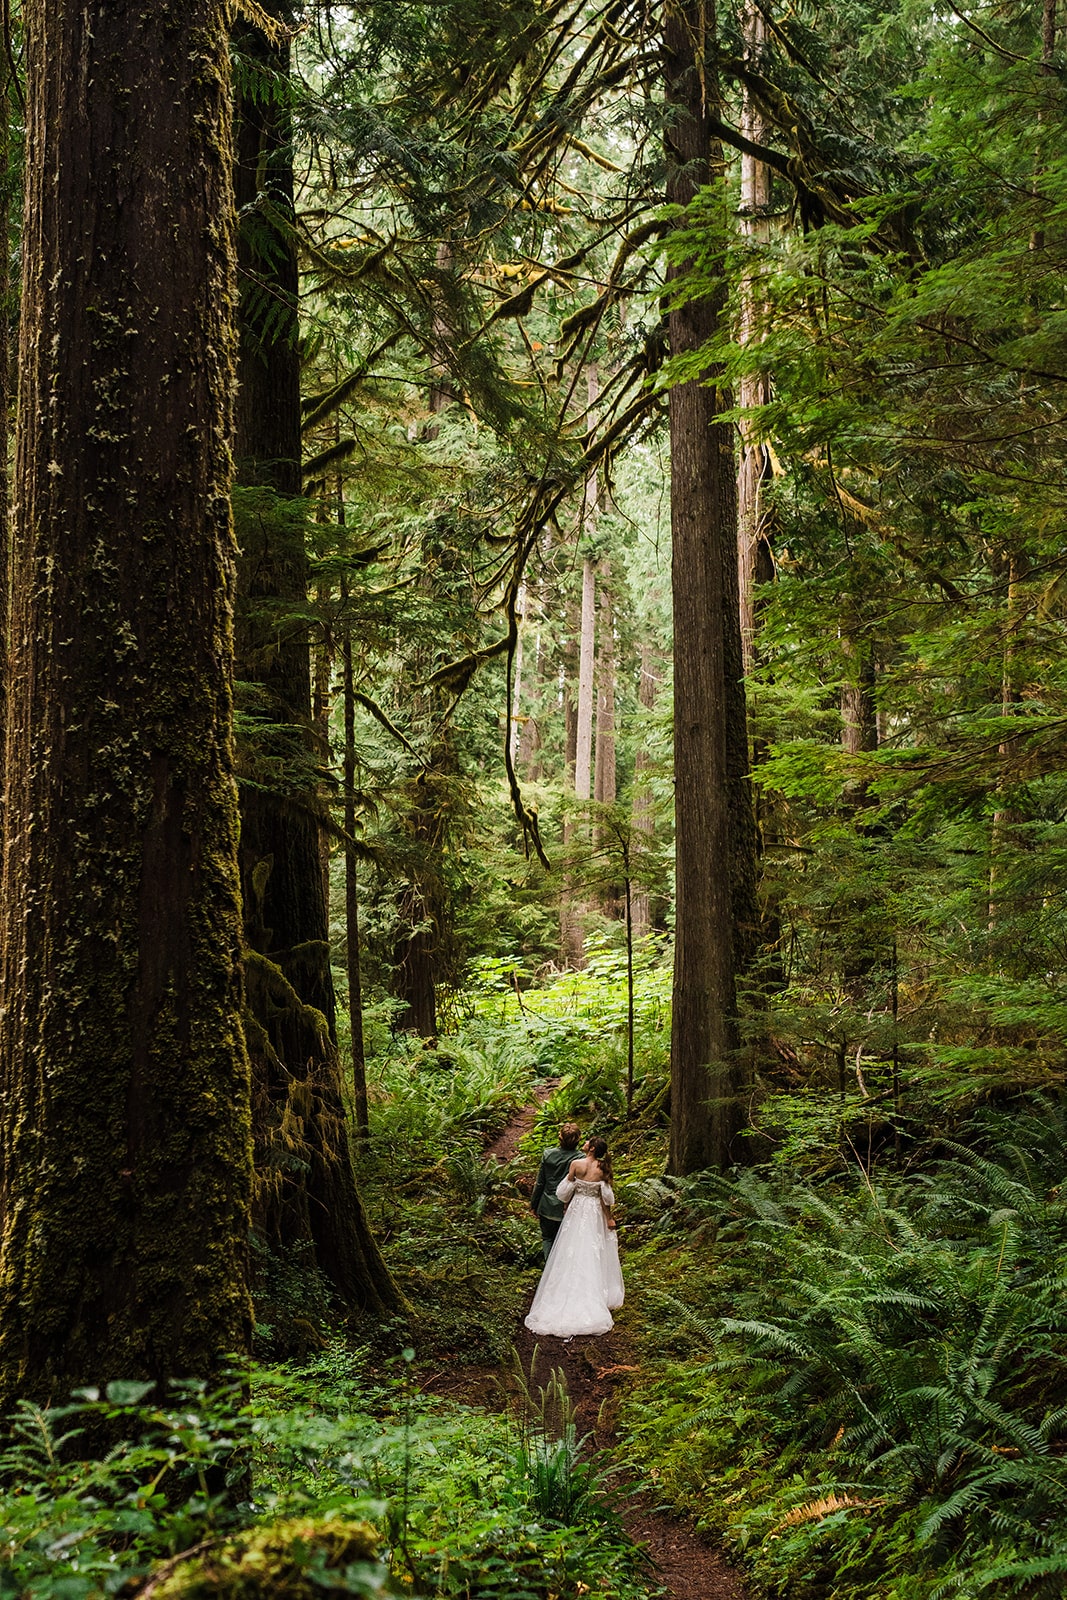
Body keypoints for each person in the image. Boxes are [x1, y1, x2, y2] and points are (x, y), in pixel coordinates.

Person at [524, 1136, 624, 1338]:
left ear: (593, 1148)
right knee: (592, 1248)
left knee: (570, 1248)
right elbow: (606, 1199)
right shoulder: (604, 1168)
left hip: (577, 1210)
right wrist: (609, 1219)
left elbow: (564, 1192)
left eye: (588, 1142)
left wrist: (568, 1203)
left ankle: (565, 1289)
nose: (584, 1143)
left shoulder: (576, 1164)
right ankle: (593, 1290)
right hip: (594, 1211)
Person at [530, 1122, 582, 1260]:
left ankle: (549, 1269)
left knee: (547, 1238)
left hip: (547, 1205)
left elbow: (540, 1182)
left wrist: (534, 1204)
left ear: (560, 1139)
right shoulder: (581, 1159)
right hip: (569, 1206)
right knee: (566, 1241)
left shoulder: (548, 1154)